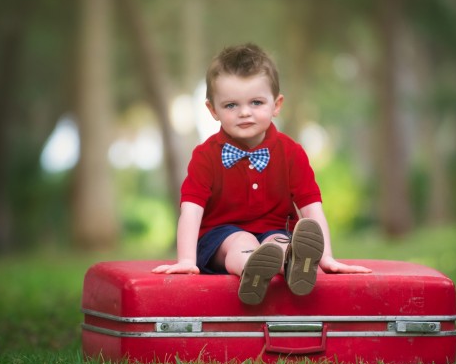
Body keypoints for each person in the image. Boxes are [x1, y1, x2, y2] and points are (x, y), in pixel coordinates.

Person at [153, 43, 370, 304]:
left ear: (276, 104)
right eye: (231, 105)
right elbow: (191, 210)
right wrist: (187, 260)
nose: (245, 112)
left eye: (256, 102)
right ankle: (251, 269)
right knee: (240, 241)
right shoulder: (205, 155)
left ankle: (291, 265)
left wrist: (326, 258)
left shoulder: (292, 153)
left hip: (274, 231)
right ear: (213, 110)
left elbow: (312, 209)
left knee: (280, 243)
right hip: (221, 238)